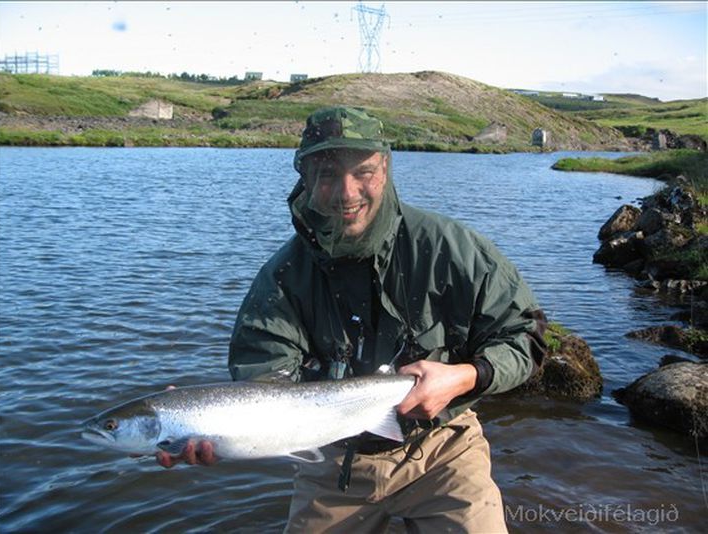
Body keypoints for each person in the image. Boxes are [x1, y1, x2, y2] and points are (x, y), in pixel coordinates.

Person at [158, 106, 547, 533]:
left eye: (363, 172)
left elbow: (525, 335)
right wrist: (205, 417)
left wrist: (466, 376)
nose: (346, 192)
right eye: (326, 174)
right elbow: (263, 378)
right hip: (331, 461)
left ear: (385, 170)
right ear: (305, 179)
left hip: (444, 448)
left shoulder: (450, 249)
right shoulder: (282, 278)